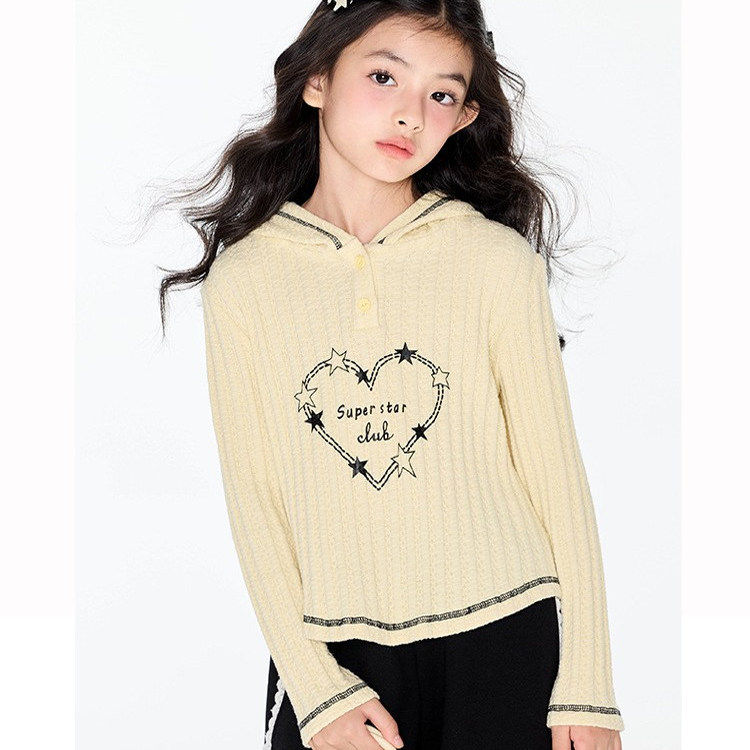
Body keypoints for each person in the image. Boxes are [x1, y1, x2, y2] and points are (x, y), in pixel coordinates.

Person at [158, 2, 625, 748]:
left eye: (441, 94)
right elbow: (255, 498)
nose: (410, 115)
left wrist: (589, 686)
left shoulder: (495, 262)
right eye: (384, 76)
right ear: (317, 79)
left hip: (507, 641)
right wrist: (314, 685)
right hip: (336, 657)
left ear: (463, 116)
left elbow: (556, 478)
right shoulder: (246, 281)